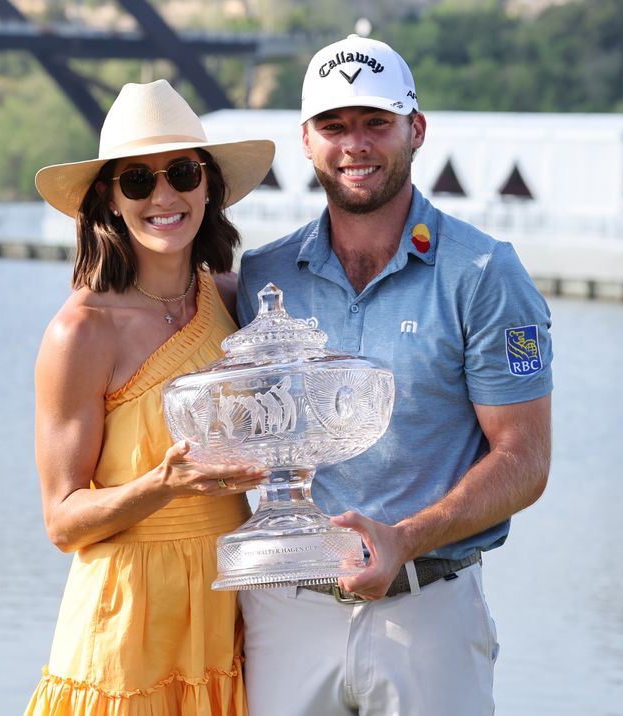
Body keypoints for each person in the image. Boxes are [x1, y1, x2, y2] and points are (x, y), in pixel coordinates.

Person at [235, 35, 553, 715]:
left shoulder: (485, 274)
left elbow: (525, 459)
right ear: (307, 140)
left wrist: (403, 538)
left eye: (376, 123)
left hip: (428, 608)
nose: (355, 144)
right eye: (334, 126)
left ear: (416, 129)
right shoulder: (263, 277)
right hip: (285, 611)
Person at [24, 80, 275, 715]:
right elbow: (62, 520)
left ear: (208, 185)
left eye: (182, 172)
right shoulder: (80, 332)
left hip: (227, 606)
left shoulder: (229, 298)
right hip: (128, 620)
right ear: (109, 199)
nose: (164, 196)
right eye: (137, 181)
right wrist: (160, 486)